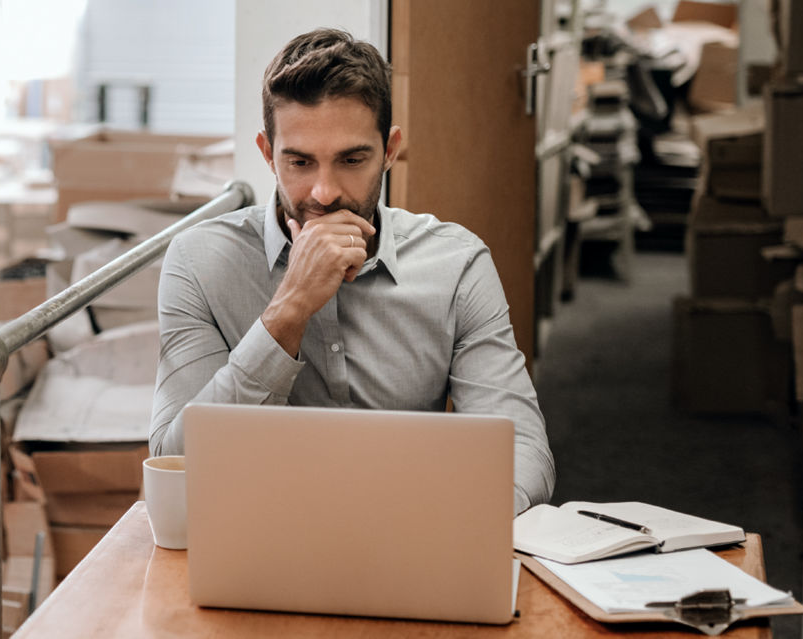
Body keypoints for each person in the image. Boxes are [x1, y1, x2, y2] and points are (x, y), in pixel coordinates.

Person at [149, 28, 554, 513]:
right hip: (259, 534)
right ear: (266, 154)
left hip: (415, 534)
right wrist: (289, 310)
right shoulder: (199, 262)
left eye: (352, 159)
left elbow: (523, 455)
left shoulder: (458, 264)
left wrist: (446, 524)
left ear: (389, 151)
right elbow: (178, 467)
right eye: (299, 161)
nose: (324, 192)